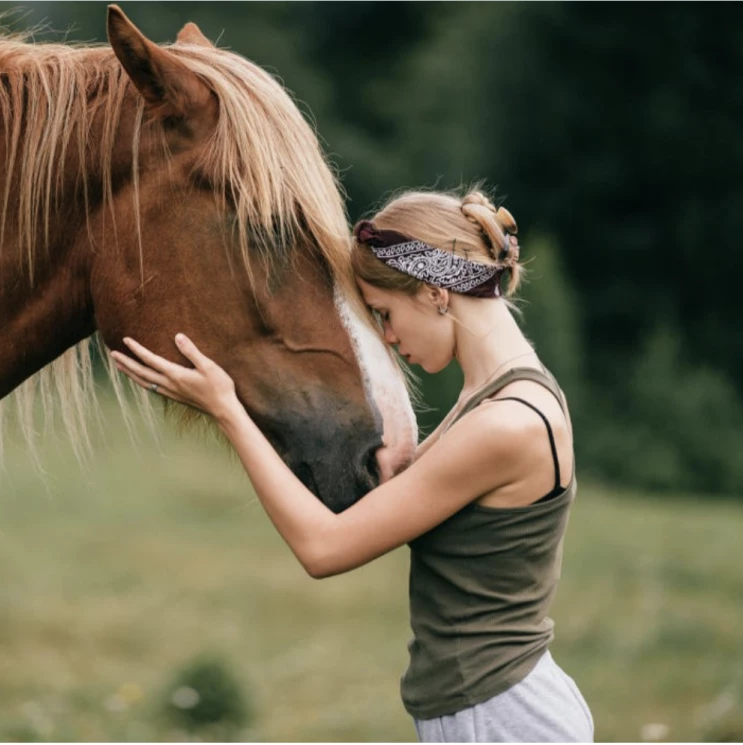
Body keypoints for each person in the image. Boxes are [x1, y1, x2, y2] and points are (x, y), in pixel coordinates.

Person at [111, 187, 595, 742]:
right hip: (489, 707)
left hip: (501, 717)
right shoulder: (500, 396)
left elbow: (325, 549)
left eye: (385, 315)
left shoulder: (502, 425)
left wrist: (229, 410)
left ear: (437, 293)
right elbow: (398, 492)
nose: (388, 338)